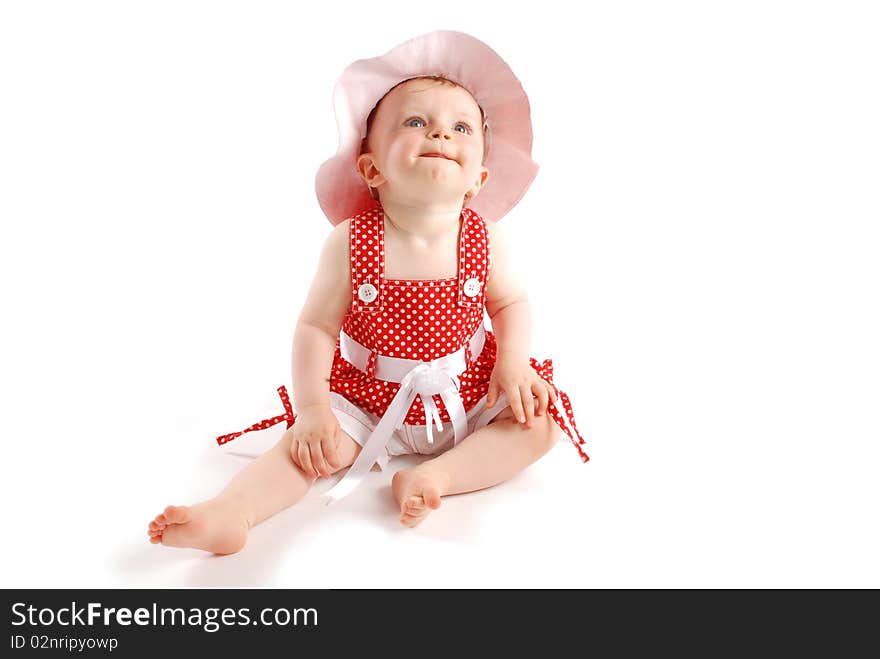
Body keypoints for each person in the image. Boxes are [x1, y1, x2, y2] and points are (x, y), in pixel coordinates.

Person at [148, 31, 587, 555]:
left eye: (461, 126)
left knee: (538, 426)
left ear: (477, 180)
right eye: (417, 121)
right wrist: (314, 408)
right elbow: (316, 327)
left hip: (467, 392)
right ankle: (232, 512)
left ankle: (438, 477)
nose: (441, 134)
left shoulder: (483, 238)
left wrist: (512, 363)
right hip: (369, 400)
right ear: (372, 167)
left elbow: (511, 304)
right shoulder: (352, 242)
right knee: (307, 448)